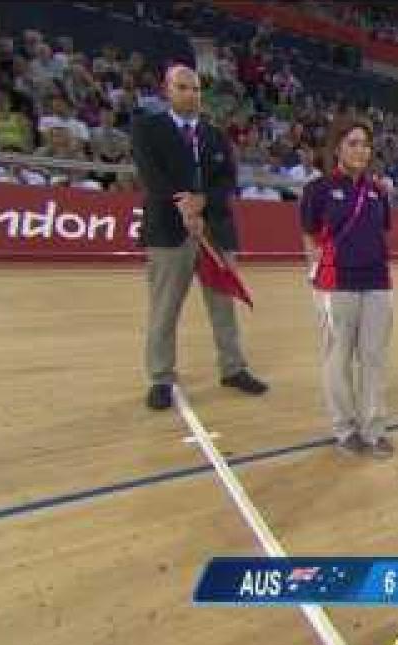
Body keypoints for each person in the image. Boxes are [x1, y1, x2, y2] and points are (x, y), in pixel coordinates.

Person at [131, 64, 267, 410]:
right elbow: (151, 174)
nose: (190, 94)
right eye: (182, 88)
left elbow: (226, 180)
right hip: (168, 231)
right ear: (167, 90)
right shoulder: (148, 129)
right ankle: (161, 377)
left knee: (224, 308)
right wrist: (184, 206)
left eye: (195, 89)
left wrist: (203, 201)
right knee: (164, 309)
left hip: (215, 232)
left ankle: (233, 368)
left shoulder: (214, 135)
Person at [299, 117, 395, 457]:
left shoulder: (378, 192)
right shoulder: (319, 189)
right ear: (338, 147)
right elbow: (310, 236)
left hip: (377, 283)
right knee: (338, 358)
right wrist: (317, 275)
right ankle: (345, 428)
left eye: (365, 144)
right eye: (353, 143)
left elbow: (382, 231)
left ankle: (373, 429)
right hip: (336, 284)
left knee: (374, 358)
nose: (360, 150)